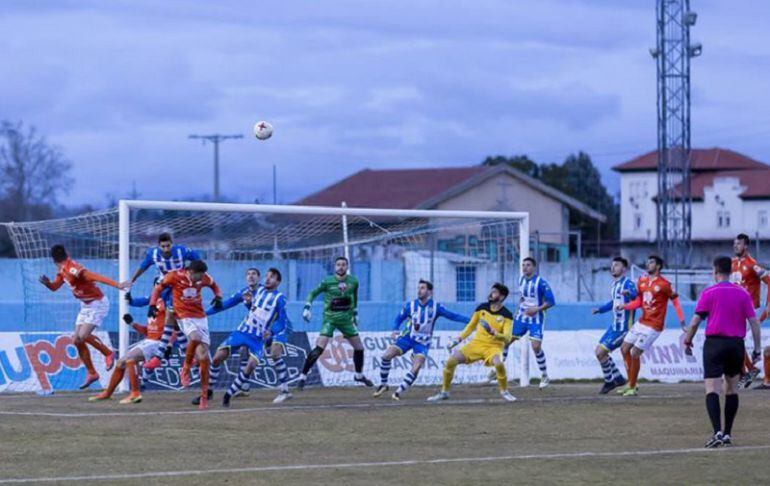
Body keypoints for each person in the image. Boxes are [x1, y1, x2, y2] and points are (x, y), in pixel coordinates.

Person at [683, 256, 762, 448]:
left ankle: (717, 431)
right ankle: (727, 434)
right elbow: (754, 323)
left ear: (715, 271)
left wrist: (688, 340)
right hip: (736, 345)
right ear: (730, 271)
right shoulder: (742, 293)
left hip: (715, 345)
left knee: (712, 389)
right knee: (732, 389)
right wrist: (757, 349)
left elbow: (694, 322)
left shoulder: (709, 292)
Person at [39, 244, 130, 389]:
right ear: (66, 254)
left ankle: (108, 353)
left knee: (82, 336)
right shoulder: (62, 270)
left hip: (97, 303)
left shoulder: (73, 269)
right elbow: (55, 287)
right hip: (85, 305)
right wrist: (48, 284)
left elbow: (94, 276)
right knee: (76, 340)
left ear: (53, 259)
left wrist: (117, 284)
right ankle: (92, 373)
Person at [373, 279, 468, 400]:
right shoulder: (411, 305)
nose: (419, 290)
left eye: (422, 288)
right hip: (407, 338)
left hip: (422, 343)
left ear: (429, 292)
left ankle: (398, 392)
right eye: (418, 288)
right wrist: (395, 329)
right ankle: (383, 384)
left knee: (416, 366)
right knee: (387, 355)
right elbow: (398, 318)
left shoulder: (436, 307)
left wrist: (471, 321)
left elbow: (454, 316)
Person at [149, 260, 222, 409]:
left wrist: (218, 297)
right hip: (183, 315)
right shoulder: (174, 276)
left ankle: (203, 398)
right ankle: (186, 368)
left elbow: (214, 286)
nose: (201, 280)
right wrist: (152, 304)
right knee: (195, 337)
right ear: (190, 272)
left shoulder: (204, 277)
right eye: (198, 277)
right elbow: (157, 288)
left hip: (201, 318)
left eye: (202, 277)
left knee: (203, 359)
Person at [427, 283, 517, 403]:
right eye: (491, 291)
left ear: (501, 297)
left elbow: (507, 338)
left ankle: (504, 391)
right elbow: (470, 326)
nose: (491, 294)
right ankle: (444, 392)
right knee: (451, 361)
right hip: (475, 344)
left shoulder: (507, 315)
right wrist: (457, 340)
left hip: (493, 348)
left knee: (499, 364)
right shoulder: (481, 308)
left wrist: (494, 333)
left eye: (494, 292)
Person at [217, 268, 293, 406]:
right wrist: (247, 303)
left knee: (271, 355)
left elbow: (282, 321)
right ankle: (239, 390)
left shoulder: (280, 298)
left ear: (278, 281)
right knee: (240, 354)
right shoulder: (259, 291)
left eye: (272, 277)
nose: (268, 279)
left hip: (272, 331)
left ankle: (285, 390)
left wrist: (272, 332)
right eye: (267, 276)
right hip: (250, 331)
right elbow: (253, 307)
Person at [296, 256, 373, 389]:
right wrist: (307, 307)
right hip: (330, 319)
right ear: (334, 267)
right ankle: (303, 376)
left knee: (359, 347)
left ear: (347, 267)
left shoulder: (353, 281)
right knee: (319, 348)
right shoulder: (327, 281)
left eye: (343, 264)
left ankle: (359, 375)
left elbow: (354, 297)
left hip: (346, 321)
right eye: (338, 264)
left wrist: (355, 313)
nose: (341, 267)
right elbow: (313, 293)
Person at [617, 255, 685, 397]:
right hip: (642, 322)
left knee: (635, 352)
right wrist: (625, 305)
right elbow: (639, 302)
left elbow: (676, 301)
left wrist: (682, 322)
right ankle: (631, 383)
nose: (648, 264)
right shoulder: (642, 281)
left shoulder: (665, 284)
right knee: (624, 349)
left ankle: (632, 385)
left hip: (654, 325)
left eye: (652, 262)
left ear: (658, 266)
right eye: (648, 262)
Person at [135, 233, 201, 371]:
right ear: (159, 246)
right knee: (174, 323)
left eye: (168, 246)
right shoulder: (153, 254)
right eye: (163, 246)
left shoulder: (181, 251)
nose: (166, 249)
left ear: (172, 244)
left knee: (170, 316)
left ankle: (159, 357)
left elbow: (197, 259)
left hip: (179, 287)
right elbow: (143, 266)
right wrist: (133, 279)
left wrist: (194, 274)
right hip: (165, 287)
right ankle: (191, 359)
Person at [88, 301, 167, 404]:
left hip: (158, 342)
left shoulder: (167, 303)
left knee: (129, 359)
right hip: (150, 341)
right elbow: (147, 331)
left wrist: (169, 344)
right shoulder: (154, 304)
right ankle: (108, 393)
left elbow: (173, 326)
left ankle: (135, 393)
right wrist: (132, 323)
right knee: (121, 362)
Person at [494, 257, 555, 388]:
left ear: (534, 267)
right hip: (521, 317)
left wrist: (536, 309)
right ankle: (498, 369)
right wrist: (517, 310)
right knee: (505, 340)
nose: (525, 268)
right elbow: (523, 297)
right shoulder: (521, 280)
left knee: (536, 347)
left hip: (536, 318)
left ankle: (544, 375)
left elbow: (551, 301)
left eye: (528, 265)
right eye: (523, 265)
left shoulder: (541, 283)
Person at [729, 233, 770, 388]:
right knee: (733, 339)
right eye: (734, 243)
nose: (735, 246)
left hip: (749, 310)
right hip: (734, 309)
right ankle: (749, 370)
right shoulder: (731, 263)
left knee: (734, 338)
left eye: (738, 244)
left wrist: (768, 304)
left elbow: (769, 281)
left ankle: (747, 372)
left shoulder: (753, 264)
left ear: (745, 246)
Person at [591, 257, 636, 394]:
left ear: (623, 269)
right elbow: (613, 303)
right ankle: (618, 379)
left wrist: (630, 293)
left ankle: (610, 381)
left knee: (601, 352)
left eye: (616, 265)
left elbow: (636, 296)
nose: (613, 267)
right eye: (612, 265)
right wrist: (600, 310)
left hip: (624, 328)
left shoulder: (628, 283)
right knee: (599, 352)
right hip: (614, 326)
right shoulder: (614, 285)